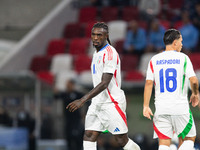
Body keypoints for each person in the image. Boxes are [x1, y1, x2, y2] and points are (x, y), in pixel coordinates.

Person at [67, 22, 140, 150]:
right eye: (93, 34)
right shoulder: (96, 53)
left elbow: (105, 83)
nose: (95, 37)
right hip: (97, 102)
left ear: (106, 35)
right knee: (89, 135)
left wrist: (83, 99)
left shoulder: (110, 53)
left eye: (99, 35)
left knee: (121, 140)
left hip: (111, 102)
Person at [143, 29, 199, 150]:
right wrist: (195, 93)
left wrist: (146, 106)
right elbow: (194, 80)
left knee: (163, 144)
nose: (182, 44)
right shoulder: (183, 58)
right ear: (175, 43)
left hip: (161, 108)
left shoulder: (154, 59)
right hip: (180, 108)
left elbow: (148, 83)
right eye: (181, 41)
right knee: (189, 139)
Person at [54, 79, 84, 150]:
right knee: (68, 138)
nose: (68, 86)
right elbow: (56, 97)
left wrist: (84, 112)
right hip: (68, 119)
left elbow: (86, 99)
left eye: (69, 84)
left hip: (77, 120)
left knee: (78, 138)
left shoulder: (77, 94)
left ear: (73, 85)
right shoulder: (64, 94)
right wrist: (55, 92)